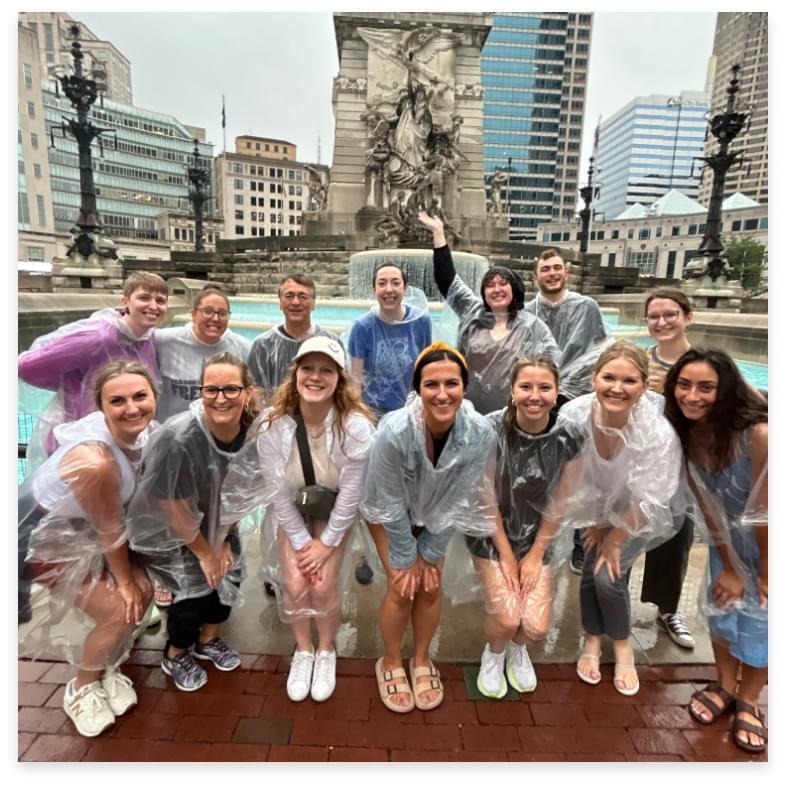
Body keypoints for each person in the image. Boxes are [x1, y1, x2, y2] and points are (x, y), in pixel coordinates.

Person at [18, 361, 157, 737]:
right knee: (120, 609)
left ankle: (107, 666)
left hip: (87, 535)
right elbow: (110, 529)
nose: (132, 407)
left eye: (140, 396)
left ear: (154, 397)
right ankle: (80, 687)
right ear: (101, 407)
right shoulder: (96, 461)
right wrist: (125, 581)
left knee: (143, 593)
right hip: (41, 542)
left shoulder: (143, 435)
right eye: (118, 400)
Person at [361, 342, 498, 713]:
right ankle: (390, 660)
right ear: (417, 389)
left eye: (451, 384)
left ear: (464, 387)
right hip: (387, 513)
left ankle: (421, 659)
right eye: (431, 384)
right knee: (401, 585)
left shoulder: (480, 433)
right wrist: (407, 557)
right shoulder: (396, 431)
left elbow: (461, 496)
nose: (442, 394)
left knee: (431, 586)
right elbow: (386, 500)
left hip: (438, 513)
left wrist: (432, 552)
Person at [125, 352, 260, 692]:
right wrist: (205, 552)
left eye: (231, 389)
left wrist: (224, 540)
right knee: (189, 601)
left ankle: (208, 641)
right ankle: (176, 652)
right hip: (171, 532)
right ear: (200, 392)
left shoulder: (253, 432)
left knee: (226, 586)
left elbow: (244, 491)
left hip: (220, 522)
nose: (220, 398)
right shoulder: (178, 438)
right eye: (211, 389)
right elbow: (172, 506)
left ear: (247, 392)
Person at [557, 341, 683, 697]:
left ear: (644, 385)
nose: (617, 387)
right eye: (608, 377)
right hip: (593, 506)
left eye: (629, 380)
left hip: (639, 512)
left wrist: (613, 536)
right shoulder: (575, 416)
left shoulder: (656, 431)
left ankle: (622, 644)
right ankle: (593, 640)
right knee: (592, 571)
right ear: (594, 378)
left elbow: (652, 494)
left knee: (607, 576)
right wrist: (595, 521)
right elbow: (572, 477)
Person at [253, 336, 375, 703]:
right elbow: (276, 491)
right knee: (293, 582)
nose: (316, 377)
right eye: (308, 368)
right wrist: (304, 542)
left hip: (336, 509)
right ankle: (302, 650)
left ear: (339, 378)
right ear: (296, 374)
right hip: (291, 507)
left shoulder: (354, 427)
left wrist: (325, 543)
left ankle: (326, 650)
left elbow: (351, 493)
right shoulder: (272, 426)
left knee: (321, 584)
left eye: (326, 370)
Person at [663, 348, 768, 754]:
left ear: (725, 391)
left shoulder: (758, 435)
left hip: (770, 543)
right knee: (722, 609)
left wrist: (762, 573)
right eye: (684, 385)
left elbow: (767, 511)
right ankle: (725, 685)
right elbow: (706, 504)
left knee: (763, 620)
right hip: (732, 543)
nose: (692, 396)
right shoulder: (688, 433)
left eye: (706, 387)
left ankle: (750, 700)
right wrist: (727, 564)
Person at [467, 356, 585, 698]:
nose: (535, 395)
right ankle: (495, 652)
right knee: (506, 618)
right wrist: (506, 555)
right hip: (491, 533)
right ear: (513, 391)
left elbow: (560, 501)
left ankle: (517, 649)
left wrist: (535, 554)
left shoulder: (570, 436)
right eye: (526, 387)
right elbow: (485, 497)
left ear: (557, 392)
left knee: (534, 627)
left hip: (539, 535)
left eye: (545, 387)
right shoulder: (489, 430)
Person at [418, 210, 560, 415]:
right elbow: (446, 279)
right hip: (468, 411)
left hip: (513, 414)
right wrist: (439, 233)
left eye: (503, 284)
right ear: (483, 291)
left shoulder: (531, 326)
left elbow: (552, 366)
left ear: (515, 288)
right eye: (490, 285)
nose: (497, 289)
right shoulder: (471, 310)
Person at [18, 271, 168, 459]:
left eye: (160, 300)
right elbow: (26, 367)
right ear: (125, 301)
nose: (153, 306)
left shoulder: (146, 338)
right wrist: (74, 388)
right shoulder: (97, 337)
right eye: (144, 298)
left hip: (117, 440)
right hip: (79, 444)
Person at [526, 248, 610, 576]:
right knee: (537, 472)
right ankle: (534, 541)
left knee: (580, 474)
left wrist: (569, 390)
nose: (551, 273)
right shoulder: (529, 311)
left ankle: (579, 544)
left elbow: (597, 351)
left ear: (566, 273)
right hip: (537, 398)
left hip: (574, 400)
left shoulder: (586, 307)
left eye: (556, 268)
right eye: (545, 268)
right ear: (536, 276)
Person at [638, 287, 696, 648]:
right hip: (640, 463)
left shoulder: (705, 361)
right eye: (654, 316)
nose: (662, 322)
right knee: (623, 531)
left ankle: (668, 608)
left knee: (677, 534)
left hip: (685, 466)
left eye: (670, 314)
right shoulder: (640, 360)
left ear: (688, 316)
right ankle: (607, 606)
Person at [155, 283, 250, 422]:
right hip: (171, 433)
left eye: (222, 313)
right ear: (193, 314)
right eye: (208, 311)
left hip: (221, 433)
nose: (215, 318)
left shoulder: (243, 348)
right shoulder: (163, 341)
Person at [348, 262, 432, 418]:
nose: (389, 289)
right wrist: (356, 417)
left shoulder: (421, 321)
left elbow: (427, 368)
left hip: (411, 411)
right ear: (374, 289)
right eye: (381, 283)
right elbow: (355, 379)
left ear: (405, 288)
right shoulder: (362, 327)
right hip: (373, 413)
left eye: (396, 282)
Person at [247, 273, 342, 407]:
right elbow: (255, 392)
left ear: (313, 303)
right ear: (280, 303)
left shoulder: (332, 343)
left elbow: (342, 388)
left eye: (303, 296)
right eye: (289, 296)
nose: (296, 302)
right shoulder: (262, 345)